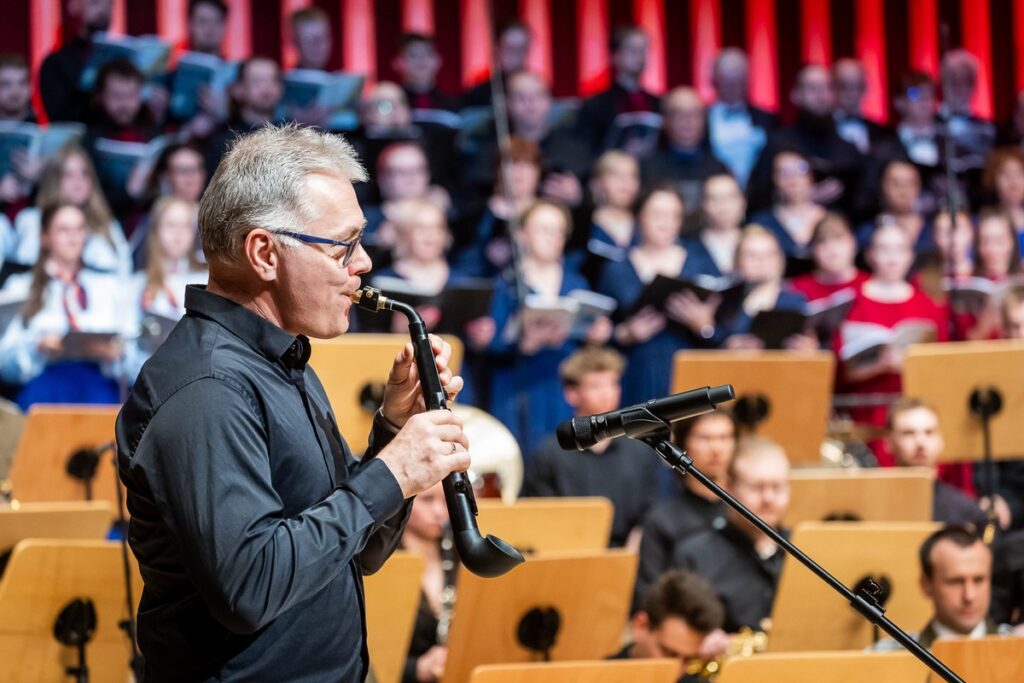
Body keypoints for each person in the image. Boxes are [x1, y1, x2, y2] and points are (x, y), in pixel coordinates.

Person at [116, 124, 471, 681]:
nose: (364, 264)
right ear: (264, 253)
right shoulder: (208, 388)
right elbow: (250, 588)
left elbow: (357, 553)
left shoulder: (279, 361)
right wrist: (392, 473)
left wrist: (392, 433)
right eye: (343, 245)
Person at [485, 199, 608, 456]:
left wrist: (596, 334)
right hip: (519, 385)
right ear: (522, 235)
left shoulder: (577, 282)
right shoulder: (506, 283)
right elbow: (491, 343)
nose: (552, 237)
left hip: (563, 383)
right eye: (543, 229)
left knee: (566, 454)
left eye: (558, 231)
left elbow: (587, 328)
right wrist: (526, 343)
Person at [521, 346, 664, 549]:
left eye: (613, 384)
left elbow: (651, 510)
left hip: (628, 555)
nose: (607, 393)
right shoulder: (549, 453)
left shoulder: (640, 449)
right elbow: (540, 515)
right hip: (567, 554)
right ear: (572, 393)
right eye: (596, 386)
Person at [0, 202, 137, 409]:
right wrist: (37, 348)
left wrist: (115, 354)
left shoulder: (109, 286)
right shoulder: (21, 286)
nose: (73, 237)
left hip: (98, 386)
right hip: (44, 389)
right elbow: (5, 366)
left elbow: (134, 358)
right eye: (64, 230)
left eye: (79, 229)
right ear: (45, 237)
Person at [834, 223, 948, 463]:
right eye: (884, 249)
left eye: (899, 249)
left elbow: (940, 366)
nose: (892, 257)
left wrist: (910, 364)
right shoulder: (851, 302)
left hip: (913, 411)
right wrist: (879, 365)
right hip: (866, 414)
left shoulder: (927, 305)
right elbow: (838, 371)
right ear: (870, 254)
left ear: (910, 255)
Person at [597, 186, 718, 407]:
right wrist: (625, 334)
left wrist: (703, 325)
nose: (666, 223)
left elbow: (720, 326)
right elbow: (602, 331)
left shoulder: (700, 262)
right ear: (639, 216)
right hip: (636, 369)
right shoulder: (617, 268)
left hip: (687, 367)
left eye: (674, 215)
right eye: (658, 215)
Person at [671, 437, 791, 634]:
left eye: (778, 487)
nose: (768, 498)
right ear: (729, 486)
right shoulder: (694, 555)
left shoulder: (804, 548)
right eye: (756, 487)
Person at [637, 410, 737, 605]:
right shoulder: (661, 520)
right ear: (683, 444)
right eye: (705, 438)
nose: (716, 448)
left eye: (725, 437)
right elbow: (648, 595)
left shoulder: (744, 514)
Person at [873, 525, 1013, 650]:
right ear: (926, 584)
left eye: (979, 580)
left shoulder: (1017, 647)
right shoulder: (886, 658)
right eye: (955, 582)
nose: (969, 596)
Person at [747, 65, 863, 215]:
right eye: (812, 88)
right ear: (796, 95)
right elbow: (757, 197)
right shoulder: (778, 143)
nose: (821, 96)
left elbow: (863, 203)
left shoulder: (848, 148)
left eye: (826, 88)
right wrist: (802, 197)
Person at [9, 145, 131, 275]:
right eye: (69, 175)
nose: (78, 181)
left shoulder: (107, 225)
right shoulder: (33, 220)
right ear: (54, 180)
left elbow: (124, 272)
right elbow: (25, 271)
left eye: (84, 174)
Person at [886, 398, 991, 529]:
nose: (920, 442)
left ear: (941, 440)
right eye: (908, 433)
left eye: (929, 432)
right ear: (889, 442)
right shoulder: (874, 506)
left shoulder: (969, 514)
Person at [609, 570, 726, 682]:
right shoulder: (597, 677)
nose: (677, 671)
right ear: (641, 626)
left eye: (688, 659)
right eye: (668, 653)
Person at [718, 225, 814, 351]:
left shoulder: (794, 301)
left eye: (769, 255)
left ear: (779, 259)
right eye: (752, 255)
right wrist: (727, 345)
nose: (761, 261)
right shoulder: (725, 300)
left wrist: (809, 348)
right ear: (737, 259)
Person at [641, 87, 729, 213]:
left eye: (695, 114)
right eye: (679, 114)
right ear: (666, 120)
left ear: (704, 120)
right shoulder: (646, 168)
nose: (688, 120)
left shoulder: (719, 170)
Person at [400, 482, 454, 683]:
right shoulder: (379, 561)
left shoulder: (460, 555)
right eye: (428, 499)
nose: (439, 512)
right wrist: (417, 668)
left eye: (445, 501)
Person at [575, 25, 660, 153]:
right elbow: (586, 148)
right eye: (632, 50)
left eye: (643, 50)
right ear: (615, 56)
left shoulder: (659, 103)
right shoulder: (596, 105)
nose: (639, 56)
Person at [706, 48, 777, 188]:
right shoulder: (702, 119)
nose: (733, 87)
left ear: (748, 80)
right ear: (714, 81)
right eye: (727, 82)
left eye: (738, 81)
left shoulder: (767, 119)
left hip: (758, 198)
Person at [749, 149, 826, 274]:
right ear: (774, 179)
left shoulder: (829, 219)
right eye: (784, 173)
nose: (793, 179)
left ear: (810, 175)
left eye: (799, 170)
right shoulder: (762, 223)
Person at [202, 57, 284, 175]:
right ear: (237, 90)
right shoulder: (222, 142)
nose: (266, 87)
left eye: (273, 80)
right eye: (257, 81)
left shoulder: (292, 136)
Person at [132, 197, 206, 321]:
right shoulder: (138, 284)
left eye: (186, 226)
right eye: (171, 225)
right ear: (156, 231)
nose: (178, 233)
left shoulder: (205, 282)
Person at [39, 0, 113, 123]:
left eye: (109, 3)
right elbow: (61, 119)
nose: (104, 10)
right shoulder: (55, 64)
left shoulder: (121, 60)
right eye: (96, 2)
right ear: (73, 6)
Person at [582, 150, 641, 284]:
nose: (625, 183)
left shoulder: (644, 224)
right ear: (598, 182)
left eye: (632, 176)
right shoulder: (582, 223)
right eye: (616, 175)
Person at [789, 212, 868, 304]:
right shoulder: (796, 291)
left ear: (853, 243)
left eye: (838, 239)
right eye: (822, 242)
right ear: (812, 249)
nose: (832, 249)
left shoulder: (873, 287)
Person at [685, 173, 746, 277]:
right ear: (703, 204)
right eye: (715, 199)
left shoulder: (760, 244)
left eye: (730, 197)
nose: (723, 206)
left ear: (743, 201)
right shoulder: (688, 248)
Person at [461, 21, 532, 108]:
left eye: (522, 49)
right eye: (511, 49)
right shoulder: (478, 95)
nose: (518, 56)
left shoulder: (539, 92)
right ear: (496, 49)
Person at [940, 50, 996, 159]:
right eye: (954, 81)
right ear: (942, 83)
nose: (960, 89)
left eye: (966, 82)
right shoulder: (929, 126)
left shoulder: (988, 130)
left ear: (974, 86)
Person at [832, 58, 887, 155]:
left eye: (858, 86)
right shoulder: (819, 130)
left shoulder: (881, 133)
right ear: (832, 87)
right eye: (843, 86)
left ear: (866, 88)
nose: (851, 93)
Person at [393, 34, 458, 112]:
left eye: (427, 54)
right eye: (412, 55)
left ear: (438, 60)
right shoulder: (392, 105)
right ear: (397, 62)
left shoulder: (453, 105)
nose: (421, 60)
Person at [981, 147, 1024, 252]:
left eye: (1019, 174)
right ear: (992, 179)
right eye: (1006, 175)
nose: (1014, 183)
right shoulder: (983, 223)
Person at [290, 6, 333, 72]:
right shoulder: (281, 81)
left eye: (321, 38)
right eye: (309, 39)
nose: (317, 45)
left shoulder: (342, 80)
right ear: (295, 42)